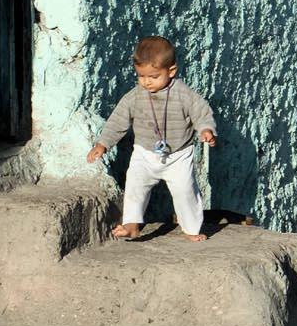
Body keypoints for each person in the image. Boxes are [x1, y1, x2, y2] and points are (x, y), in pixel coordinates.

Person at [88, 35, 218, 241]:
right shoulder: (134, 96)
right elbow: (118, 120)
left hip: (178, 155)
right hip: (144, 153)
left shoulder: (184, 95)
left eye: (154, 76)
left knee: (185, 192)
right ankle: (132, 224)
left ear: (171, 71)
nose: (146, 82)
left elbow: (202, 113)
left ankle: (192, 229)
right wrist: (103, 143)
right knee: (135, 186)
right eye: (141, 76)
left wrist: (206, 130)